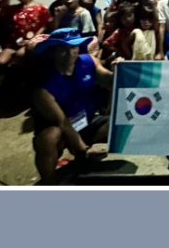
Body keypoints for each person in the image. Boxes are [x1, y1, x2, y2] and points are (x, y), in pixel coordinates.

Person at [32, 29, 113, 184]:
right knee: (49, 139)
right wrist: (83, 149)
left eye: (73, 47)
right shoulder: (43, 86)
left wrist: (118, 69)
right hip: (63, 131)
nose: (70, 53)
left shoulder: (88, 62)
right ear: (53, 52)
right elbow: (62, 122)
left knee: (118, 124)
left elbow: (108, 79)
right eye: (63, 49)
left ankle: (82, 159)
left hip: (87, 121)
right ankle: (49, 182)